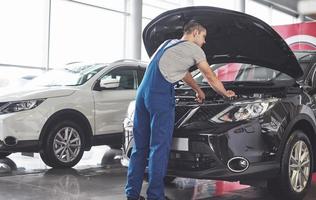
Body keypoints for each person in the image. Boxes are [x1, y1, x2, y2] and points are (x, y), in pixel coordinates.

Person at [125, 21, 236, 200]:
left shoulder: (167, 44)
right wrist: (225, 93)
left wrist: (197, 90)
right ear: (195, 33)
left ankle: (131, 194)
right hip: (159, 95)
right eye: (203, 37)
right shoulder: (194, 49)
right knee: (159, 148)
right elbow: (210, 76)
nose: (204, 42)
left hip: (142, 95)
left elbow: (183, 73)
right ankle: (155, 196)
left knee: (140, 147)